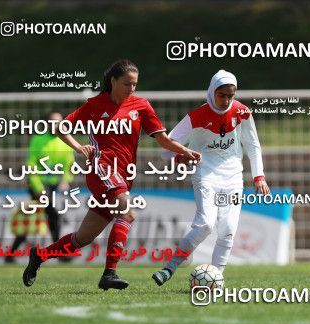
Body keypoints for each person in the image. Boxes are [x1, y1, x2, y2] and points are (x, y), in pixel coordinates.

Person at [23, 59, 201, 290]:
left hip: (123, 175)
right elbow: (61, 127)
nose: (132, 89)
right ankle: (109, 273)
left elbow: (163, 139)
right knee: (127, 213)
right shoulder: (95, 105)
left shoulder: (141, 106)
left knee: (83, 238)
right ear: (113, 81)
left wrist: (184, 150)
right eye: (127, 84)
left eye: (135, 84)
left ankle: (40, 255)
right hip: (101, 168)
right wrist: (78, 148)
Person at [152, 70, 270, 286]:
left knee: (227, 230)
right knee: (205, 225)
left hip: (234, 177)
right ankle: (169, 268)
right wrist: (182, 155)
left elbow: (252, 145)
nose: (226, 100)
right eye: (222, 95)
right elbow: (166, 149)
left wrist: (258, 176)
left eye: (231, 96)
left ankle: (217, 279)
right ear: (211, 91)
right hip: (205, 174)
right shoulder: (196, 117)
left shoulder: (242, 112)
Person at [6, 112, 75, 263]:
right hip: (37, 184)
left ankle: (10, 254)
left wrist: (65, 180)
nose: (56, 125)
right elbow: (31, 165)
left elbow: (69, 165)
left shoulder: (66, 139)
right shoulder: (38, 139)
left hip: (53, 184)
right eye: (52, 122)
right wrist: (39, 189)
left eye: (59, 122)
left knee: (33, 218)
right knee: (53, 216)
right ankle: (60, 253)